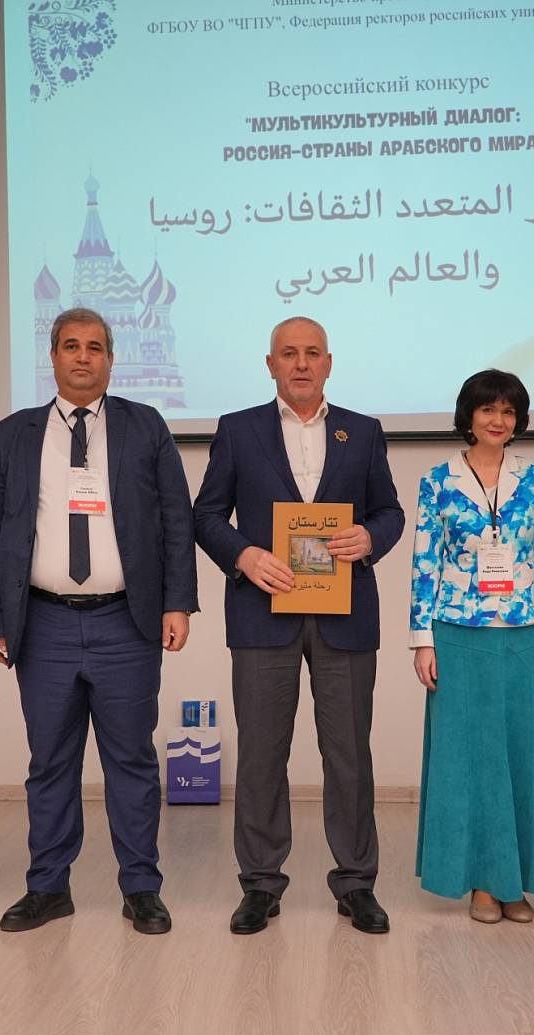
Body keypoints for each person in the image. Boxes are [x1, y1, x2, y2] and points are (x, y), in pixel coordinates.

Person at [0, 307, 197, 935]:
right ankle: (47, 887)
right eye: (70, 346)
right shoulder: (14, 433)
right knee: (49, 762)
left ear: (111, 359)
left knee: (132, 760)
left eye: (94, 347)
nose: (82, 356)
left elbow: (176, 518)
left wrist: (177, 602)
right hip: (42, 624)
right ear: (52, 357)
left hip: (126, 622)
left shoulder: (144, 426)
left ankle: (141, 888)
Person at [194, 315, 405, 935]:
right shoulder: (238, 430)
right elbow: (206, 514)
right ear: (271, 364)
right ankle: (260, 884)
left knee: (349, 756)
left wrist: (370, 537)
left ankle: (356, 883)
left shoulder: (362, 431)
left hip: (345, 616)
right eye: (289, 353)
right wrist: (243, 555)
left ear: (329, 363)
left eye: (313, 353)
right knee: (261, 755)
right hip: (263, 616)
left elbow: (390, 511)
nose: (302, 363)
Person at [409, 369, 534, 924]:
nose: (498, 420)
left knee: (525, 757)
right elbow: (424, 562)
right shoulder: (438, 480)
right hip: (458, 634)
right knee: (469, 760)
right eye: (487, 410)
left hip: (525, 631)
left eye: (508, 411)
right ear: (469, 416)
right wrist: (422, 641)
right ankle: (481, 880)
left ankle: (516, 882)